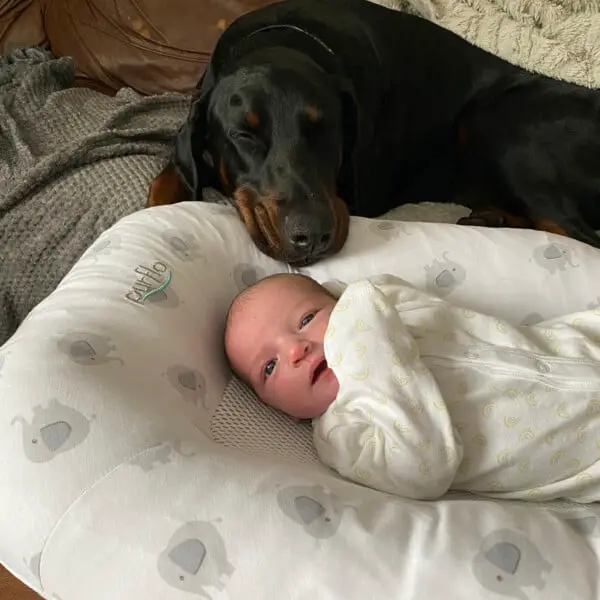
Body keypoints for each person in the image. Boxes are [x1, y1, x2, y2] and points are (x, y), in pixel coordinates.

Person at [224, 272, 600, 503]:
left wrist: (361, 311)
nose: (294, 349)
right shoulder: (344, 435)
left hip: (575, 344)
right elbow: (422, 469)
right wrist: (363, 345)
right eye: (269, 367)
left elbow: (384, 294)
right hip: (586, 455)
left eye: (307, 318)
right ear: (283, 412)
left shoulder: (386, 312)